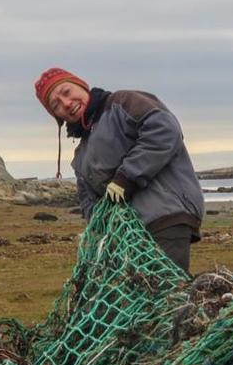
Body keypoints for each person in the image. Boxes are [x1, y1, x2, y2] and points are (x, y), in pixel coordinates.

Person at [33, 68, 205, 272]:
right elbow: (90, 203)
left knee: (164, 296)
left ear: (81, 85)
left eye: (66, 92)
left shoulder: (122, 103)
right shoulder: (81, 155)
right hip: (130, 237)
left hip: (166, 216)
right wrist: (99, 231)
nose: (66, 104)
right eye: (56, 105)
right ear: (57, 117)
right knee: (143, 299)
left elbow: (165, 130)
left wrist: (126, 178)